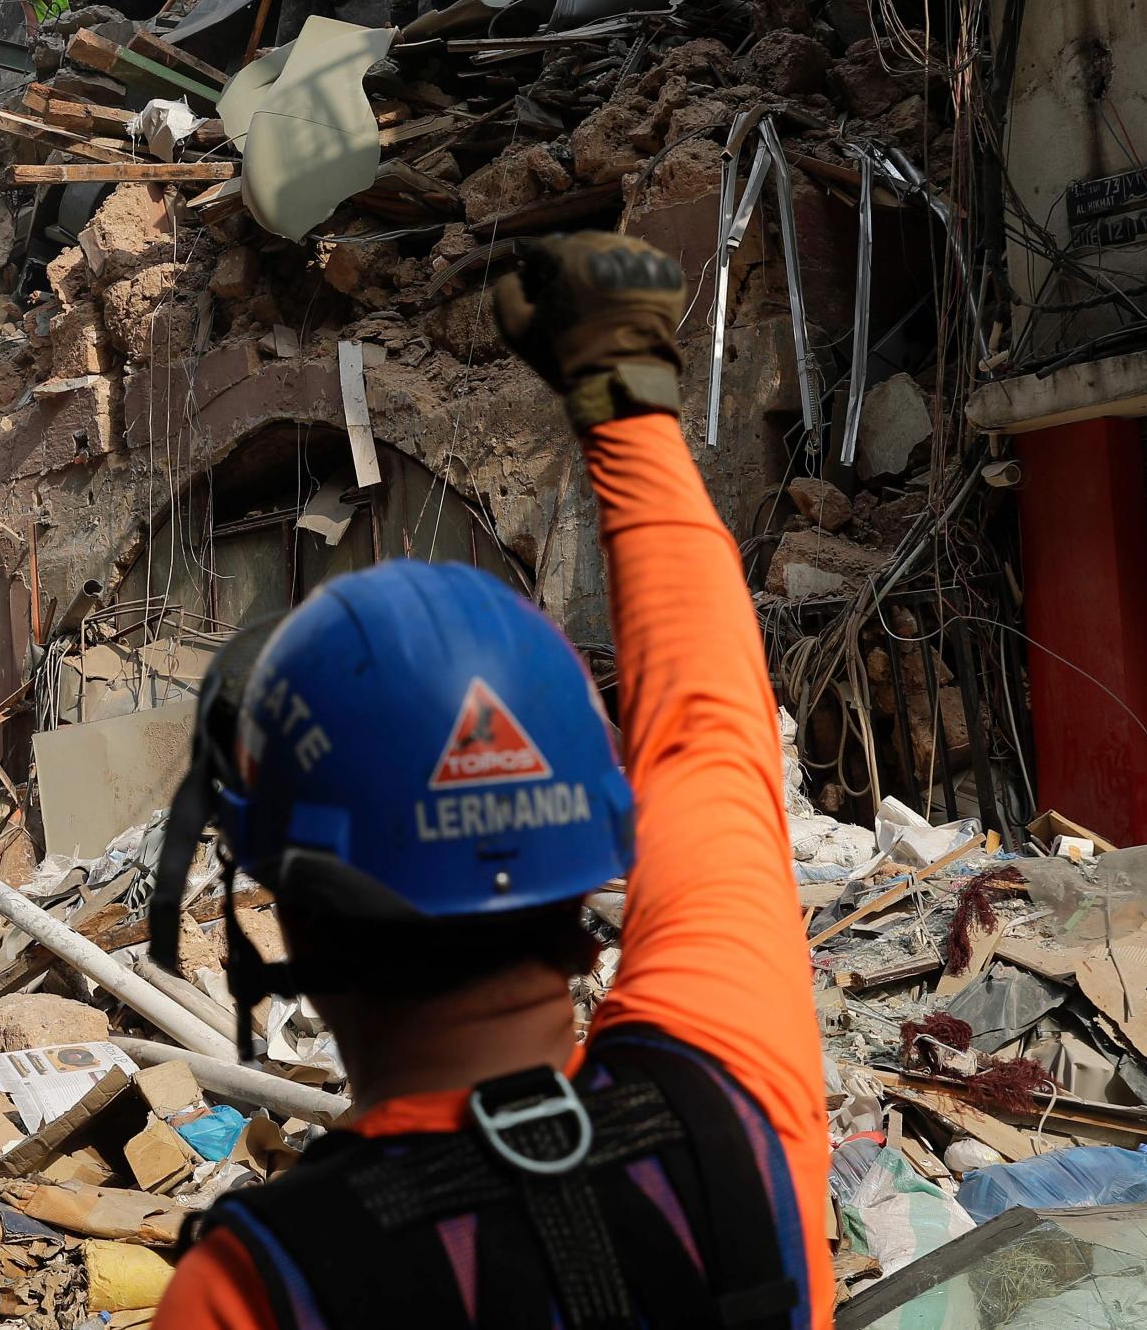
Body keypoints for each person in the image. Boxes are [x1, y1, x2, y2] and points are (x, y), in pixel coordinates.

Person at [147, 230, 831, 1330]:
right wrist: (625, 395)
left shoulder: (257, 1290)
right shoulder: (734, 1102)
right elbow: (712, 732)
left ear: (295, 916)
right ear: (584, 885)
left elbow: (710, 738)